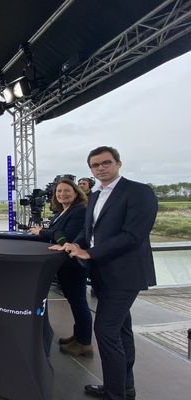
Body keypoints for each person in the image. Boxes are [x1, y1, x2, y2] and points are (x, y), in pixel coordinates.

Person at [52, 146, 158, 400]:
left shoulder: (138, 192)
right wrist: (74, 244)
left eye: (105, 163)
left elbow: (134, 235)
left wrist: (91, 254)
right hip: (103, 274)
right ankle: (124, 388)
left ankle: (114, 393)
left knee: (106, 331)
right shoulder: (97, 196)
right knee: (121, 331)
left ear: (118, 163)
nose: (100, 168)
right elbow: (89, 232)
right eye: (94, 165)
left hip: (126, 274)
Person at [29, 179, 93, 357]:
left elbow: (67, 237)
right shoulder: (63, 211)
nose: (62, 194)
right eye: (58, 191)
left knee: (79, 302)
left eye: (67, 191)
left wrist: (40, 231)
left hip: (74, 264)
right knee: (75, 302)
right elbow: (58, 234)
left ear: (76, 193)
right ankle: (78, 336)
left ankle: (84, 343)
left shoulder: (79, 210)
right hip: (65, 264)